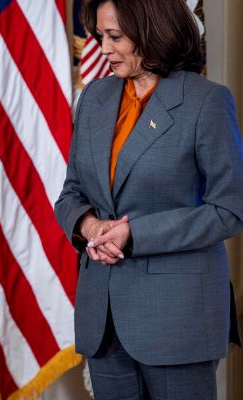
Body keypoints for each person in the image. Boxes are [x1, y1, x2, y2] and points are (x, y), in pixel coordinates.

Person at [55, 0, 243, 398]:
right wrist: (90, 226)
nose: (103, 49)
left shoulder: (205, 101)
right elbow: (72, 193)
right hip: (102, 315)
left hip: (177, 316)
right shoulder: (95, 98)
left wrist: (134, 234)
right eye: (100, 37)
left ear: (153, 31)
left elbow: (230, 209)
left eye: (115, 37)